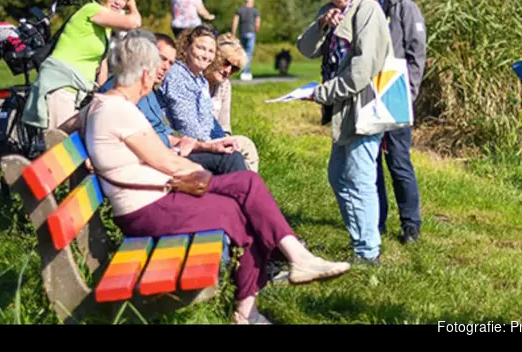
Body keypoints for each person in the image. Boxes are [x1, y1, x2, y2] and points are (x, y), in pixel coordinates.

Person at [71, 31, 351, 324]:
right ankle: (252, 305)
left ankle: (292, 262)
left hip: (155, 199)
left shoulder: (105, 104)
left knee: (247, 187)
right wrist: (205, 177)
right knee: (243, 205)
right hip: (148, 209)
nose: (156, 79)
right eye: (155, 71)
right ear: (143, 74)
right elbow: (168, 163)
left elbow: (81, 126)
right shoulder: (118, 110)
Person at [296, 0, 392, 264]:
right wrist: (323, 23)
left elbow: (362, 71)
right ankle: (361, 241)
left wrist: (322, 94)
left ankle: (368, 252)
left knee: (359, 178)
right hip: (344, 109)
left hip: (365, 106)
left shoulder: (368, 11)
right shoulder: (332, 13)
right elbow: (305, 48)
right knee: (339, 176)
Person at [89, 31, 249, 176]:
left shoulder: (148, 90)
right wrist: (183, 150)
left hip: (172, 150)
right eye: (162, 59)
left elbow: (164, 132)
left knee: (234, 154)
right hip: (158, 161)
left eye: (170, 62)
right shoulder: (121, 91)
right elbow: (147, 139)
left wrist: (204, 146)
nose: (166, 68)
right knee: (230, 159)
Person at [353, 0, 427, 244]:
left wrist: (409, 94)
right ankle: (377, 222)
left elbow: (416, 53)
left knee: (398, 161)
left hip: (395, 93)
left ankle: (411, 224)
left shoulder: (403, 8)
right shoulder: (355, 8)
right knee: (369, 164)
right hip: (364, 95)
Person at [23, 0, 142, 130]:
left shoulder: (104, 27)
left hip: (79, 88)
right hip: (61, 83)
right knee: (61, 142)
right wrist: (132, 4)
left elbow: (102, 63)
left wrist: (101, 93)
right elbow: (134, 22)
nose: (118, 2)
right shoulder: (92, 10)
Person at [203, 32, 260, 172]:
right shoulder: (197, 80)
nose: (227, 70)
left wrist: (226, 143)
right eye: (226, 63)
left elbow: (224, 125)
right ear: (216, 57)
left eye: (234, 68)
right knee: (245, 145)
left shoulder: (224, 85)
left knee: (244, 146)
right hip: (197, 137)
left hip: (216, 136)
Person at [231, 0, 260, 81]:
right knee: (249, 53)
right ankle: (245, 71)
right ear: (252, 2)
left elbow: (235, 22)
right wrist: (256, 31)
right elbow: (258, 23)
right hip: (251, 33)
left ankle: (243, 70)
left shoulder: (240, 10)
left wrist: (233, 33)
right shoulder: (255, 11)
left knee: (242, 52)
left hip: (242, 33)